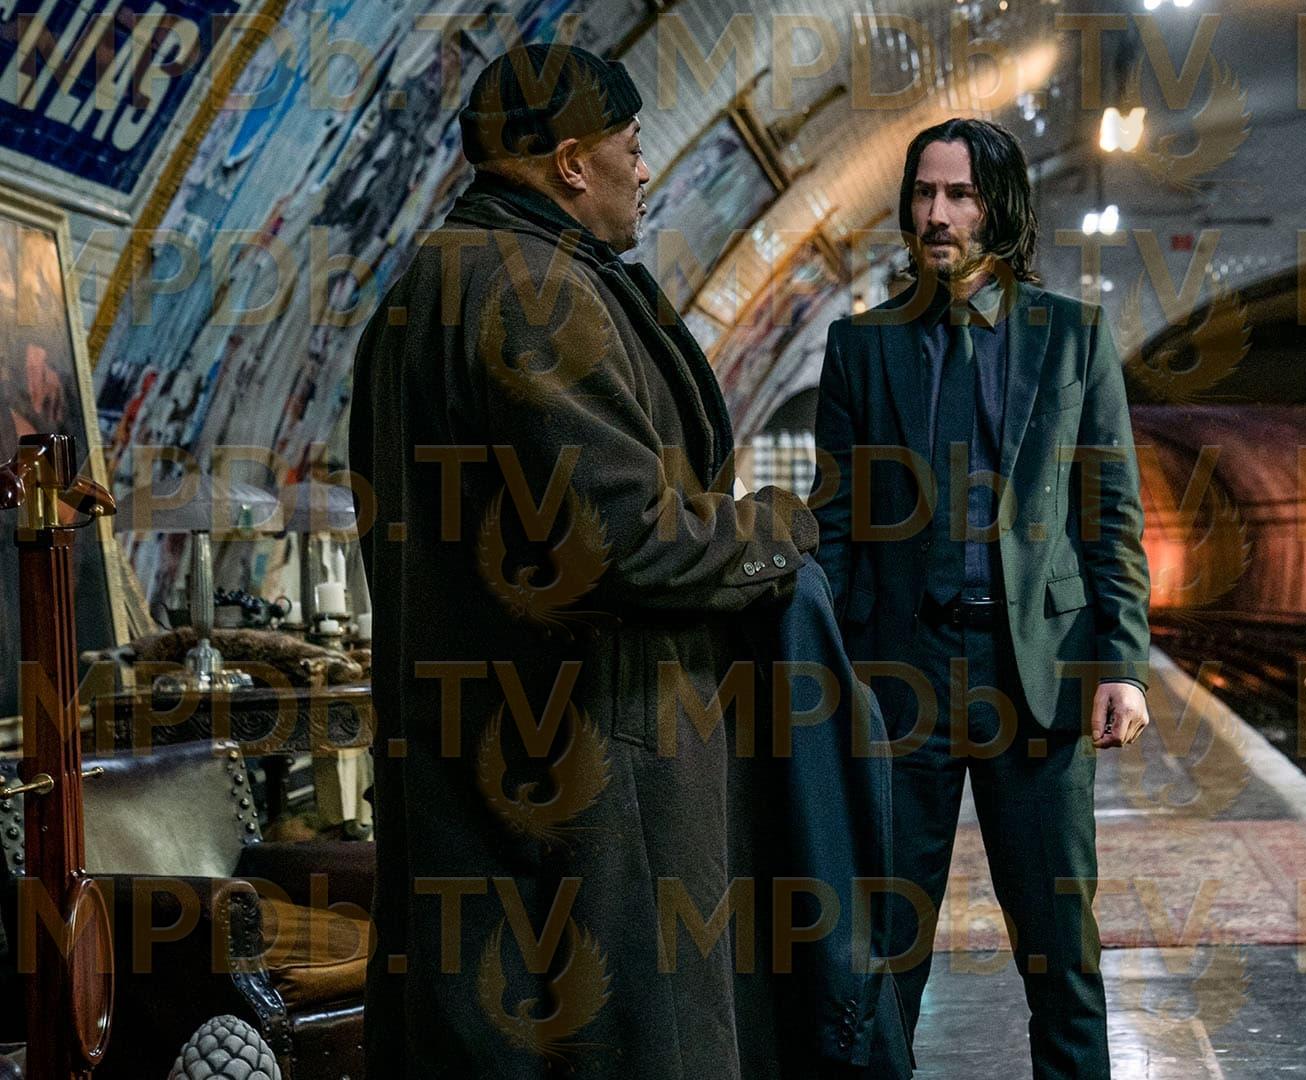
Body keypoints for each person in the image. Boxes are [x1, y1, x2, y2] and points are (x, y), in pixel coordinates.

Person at [350, 44, 823, 1078]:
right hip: (596, 784)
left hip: (489, 775)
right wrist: (778, 531)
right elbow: (626, 542)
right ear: (570, 162)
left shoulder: (432, 283)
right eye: (631, 146)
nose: (645, 169)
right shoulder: (530, 291)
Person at [811, 117, 1152, 1079]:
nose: (937, 214)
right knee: (885, 949)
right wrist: (830, 677)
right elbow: (832, 529)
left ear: (1000, 209)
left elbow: (1110, 514)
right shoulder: (859, 347)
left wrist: (1122, 665)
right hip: (901, 678)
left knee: (1061, 949)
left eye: (959, 195)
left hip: (1034, 675)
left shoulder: (1074, 337)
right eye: (924, 194)